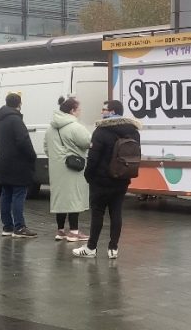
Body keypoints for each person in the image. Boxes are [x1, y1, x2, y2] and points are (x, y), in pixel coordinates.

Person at [73, 100, 140, 259]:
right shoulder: (134, 131)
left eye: (104, 109)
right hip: (122, 179)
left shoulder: (101, 131)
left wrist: (88, 176)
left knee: (97, 213)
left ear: (112, 111)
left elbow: (93, 158)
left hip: (101, 181)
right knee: (116, 212)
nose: (102, 112)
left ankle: (91, 248)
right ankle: (113, 249)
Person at [44, 97, 92, 242]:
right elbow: (88, 142)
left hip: (56, 169)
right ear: (72, 111)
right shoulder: (75, 127)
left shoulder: (50, 128)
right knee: (73, 199)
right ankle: (74, 232)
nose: (80, 112)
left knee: (61, 199)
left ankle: (60, 231)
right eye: (78, 109)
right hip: (73, 168)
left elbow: (46, 149)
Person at [0, 92, 37, 238]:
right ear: (19, 104)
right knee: (19, 194)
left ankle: (7, 227)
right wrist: (32, 156)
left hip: (4, 163)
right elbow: (23, 141)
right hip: (18, 165)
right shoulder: (16, 120)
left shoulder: (0, 119)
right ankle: (19, 227)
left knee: (6, 194)